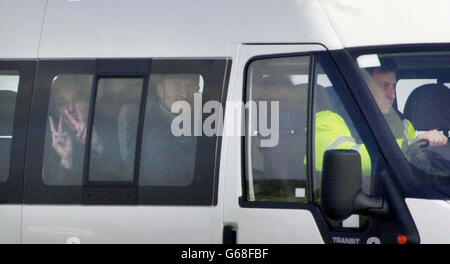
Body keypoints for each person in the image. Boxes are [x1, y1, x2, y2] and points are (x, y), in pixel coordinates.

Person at [315, 64, 448, 176]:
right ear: (362, 88)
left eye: (393, 86)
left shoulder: (402, 123)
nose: (392, 95)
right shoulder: (326, 119)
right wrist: (407, 147)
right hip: (354, 199)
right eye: (384, 86)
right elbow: (348, 160)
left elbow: (410, 167)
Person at [138, 74, 199, 186]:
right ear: (160, 91)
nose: (184, 95)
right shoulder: (146, 126)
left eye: (190, 87)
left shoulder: (207, 119)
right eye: (177, 86)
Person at [43, 75, 102, 185]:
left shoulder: (112, 128)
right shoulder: (48, 144)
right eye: (61, 102)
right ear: (56, 110)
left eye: (78, 99)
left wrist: (97, 146)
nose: (70, 108)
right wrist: (66, 161)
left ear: (91, 102)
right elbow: (55, 196)